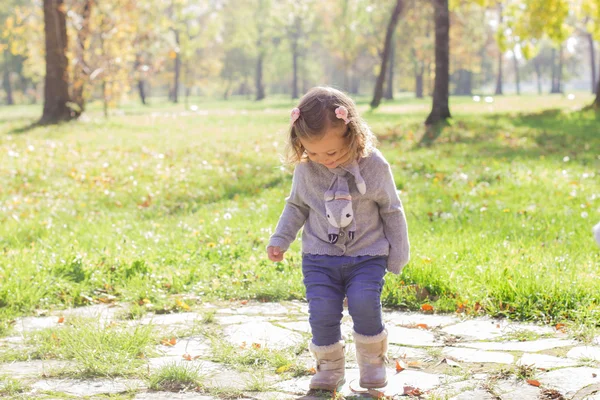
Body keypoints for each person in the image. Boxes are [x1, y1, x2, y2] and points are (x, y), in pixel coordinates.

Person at [266, 86, 410, 391]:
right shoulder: (307, 170)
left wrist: (398, 252)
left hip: (367, 255)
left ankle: (371, 361)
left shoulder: (373, 166)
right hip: (319, 257)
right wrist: (280, 239)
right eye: (313, 152)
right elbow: (296, 206)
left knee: (364, 302)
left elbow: (391, 209)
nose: (324, 159)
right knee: (321, 311)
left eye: (331, 152)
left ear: (352, 134)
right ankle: (330, 367)